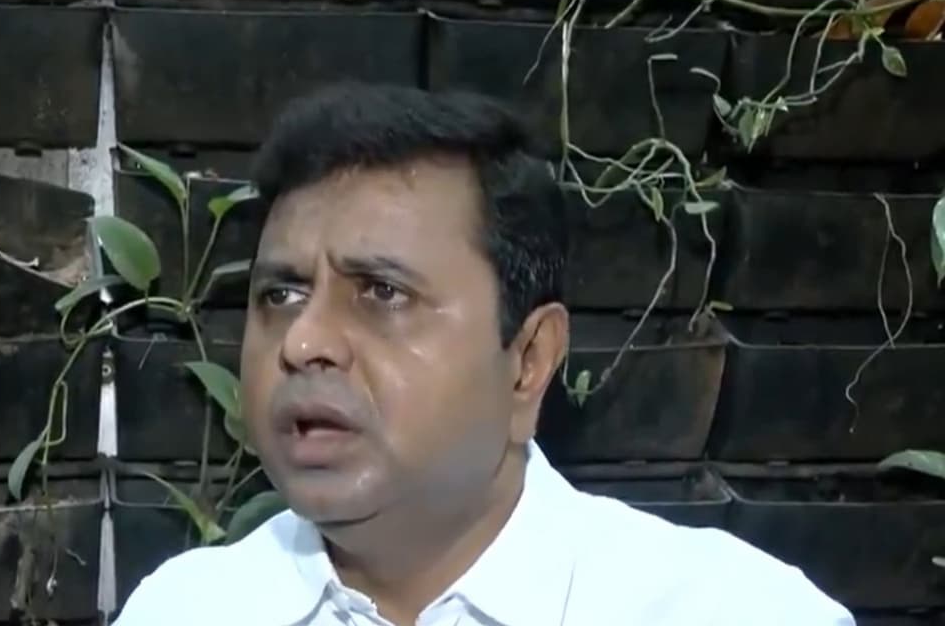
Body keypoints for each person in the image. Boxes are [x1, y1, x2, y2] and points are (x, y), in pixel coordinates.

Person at [111, 83, 854, 626]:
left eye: (382, 293)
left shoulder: (731, 611)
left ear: (528, 361)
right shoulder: (186, 610)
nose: (305, 343)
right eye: (280, 294)